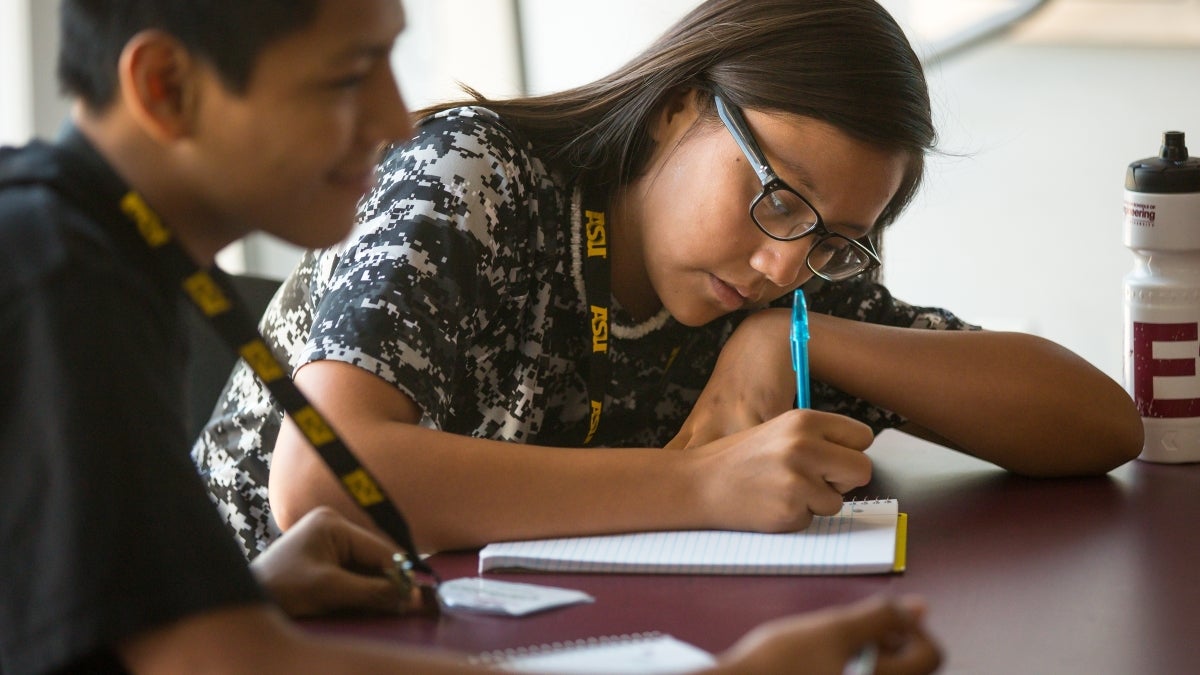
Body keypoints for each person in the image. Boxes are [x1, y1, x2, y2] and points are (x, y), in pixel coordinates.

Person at [0, 0, 942, 673]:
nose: (386, 119)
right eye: (345, 76)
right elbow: (216, 658)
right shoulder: (59, 278)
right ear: (167, 86)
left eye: (389, 61)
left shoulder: (107, 256)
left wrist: (243, 589)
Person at [193, 0, 1142, 560]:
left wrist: (802, 338)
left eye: (834, 238)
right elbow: (323, 481)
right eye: (777, 193)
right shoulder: (474, 179)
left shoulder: (788, 280)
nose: (783, 264)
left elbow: (1100, 421)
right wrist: (698, 484)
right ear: (680, 109)